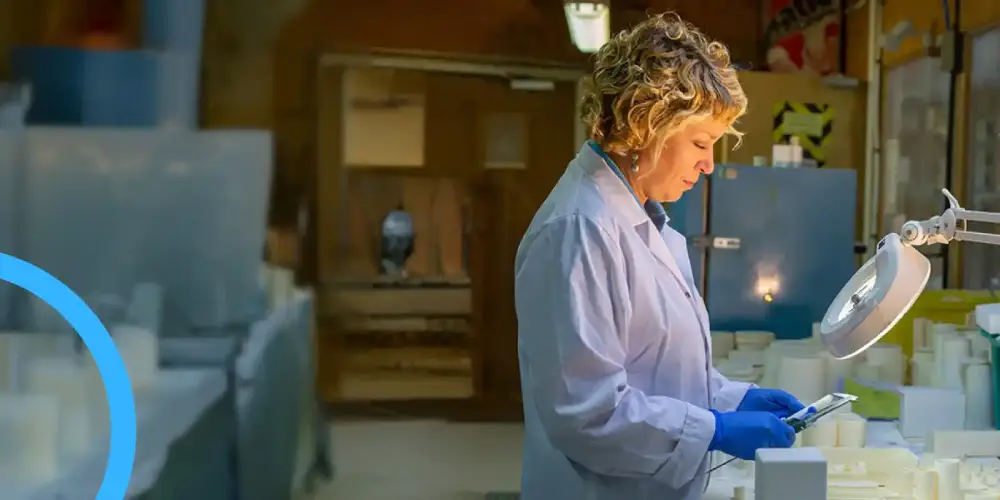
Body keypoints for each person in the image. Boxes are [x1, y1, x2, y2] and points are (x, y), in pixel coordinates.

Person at [513, 13, 806, 500]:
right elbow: (587, 413)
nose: (709, 165)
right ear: (646, 126)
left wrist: (732, 400)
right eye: (701, 143)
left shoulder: (644, 222)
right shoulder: (579, 230)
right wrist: (714, 430)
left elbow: (660, 372)